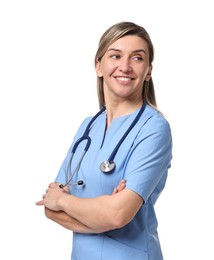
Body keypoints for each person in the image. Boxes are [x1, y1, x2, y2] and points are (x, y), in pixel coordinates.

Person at [36, 21, 173, 260]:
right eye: (115, 55)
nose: (125, 66)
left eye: (137, 58)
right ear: (98, 66)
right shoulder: (89, 126)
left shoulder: (154, 128)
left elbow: (117, 215)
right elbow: (50, 207)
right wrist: (101, 212)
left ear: (148, 71)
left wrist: (65, 200)